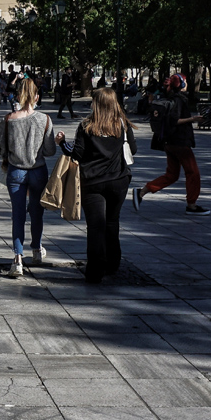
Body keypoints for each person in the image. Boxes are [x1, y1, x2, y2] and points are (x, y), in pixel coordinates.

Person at [55, 87, 137, 283]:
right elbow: (133, 149)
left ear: (97, 104)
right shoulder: (122, 124)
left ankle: (95, 270)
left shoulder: (87, 126)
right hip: (118, 180)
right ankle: (113, 262)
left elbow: (76, 154)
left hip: (92, 182)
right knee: (112, 221)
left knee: (95, 226)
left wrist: (62, 142)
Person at [0, 79, 56, 278]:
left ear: (18, 96)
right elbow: (50, 150)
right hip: (38, 170)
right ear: (37, 97)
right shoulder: (45, 120)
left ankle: (18, 259)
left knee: (17, 214)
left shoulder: (9, 120)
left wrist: (11, 149)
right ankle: (36, 249)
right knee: (37, 212)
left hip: (16, 170)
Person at [133, 74, 211, 215]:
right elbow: (174, 121)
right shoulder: (178, 100)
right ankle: (192, 205)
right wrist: (193, 119)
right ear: (180, 84)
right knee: (193, 173)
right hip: (179, 142)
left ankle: (142, 192)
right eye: (185, 81)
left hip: (169, 142)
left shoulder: (171, 99)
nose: (186, 83)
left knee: (172, 175)